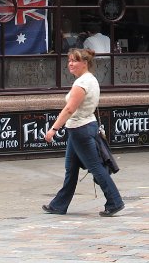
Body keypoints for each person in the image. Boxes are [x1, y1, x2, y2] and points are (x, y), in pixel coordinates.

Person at [42, 48, 124, 217]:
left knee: (96, 167)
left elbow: (69, 109)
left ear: (85, 63)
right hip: (82, 128)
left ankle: (115, 202)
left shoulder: (82, 84)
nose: (70, 64)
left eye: (75, 61)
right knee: (71, 169)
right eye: (69, 60)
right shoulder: (90, 79)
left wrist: (53, 129)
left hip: (81, 129)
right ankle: (58, 205)